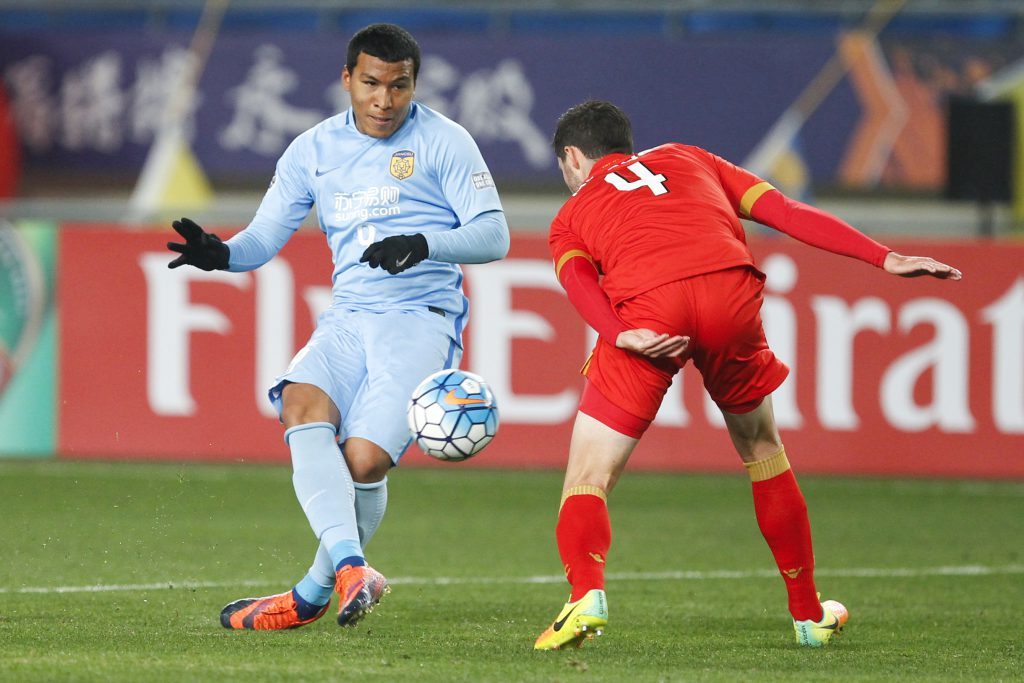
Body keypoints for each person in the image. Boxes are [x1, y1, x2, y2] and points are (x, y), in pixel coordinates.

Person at [534, 100, 962, 651]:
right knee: (763, 448)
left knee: (588, 476)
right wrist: (882, 257)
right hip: (728, 293)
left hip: (649, 311)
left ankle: (585, 595)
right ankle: (809, 615)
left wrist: (620, 334)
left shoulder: (570, 216)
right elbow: (784, 211)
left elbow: (579, 283)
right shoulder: (689, 157)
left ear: (572, 157)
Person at [166, 23, 508, 631]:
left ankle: (309, 594)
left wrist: (424, 242)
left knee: (365, 462)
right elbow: (263, 238)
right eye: (371, 84)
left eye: (399, 86)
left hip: (420, 319)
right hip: (349, 315)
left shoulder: (445, 141)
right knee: (300, 404)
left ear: (414, 85)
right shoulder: (312, 150)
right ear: (347, 78)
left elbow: (493, 234)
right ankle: (352, 569)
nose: (384, 100)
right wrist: (221, 254)